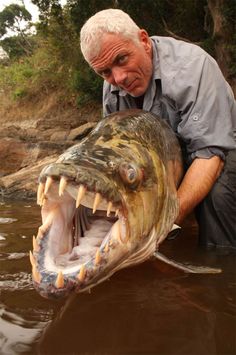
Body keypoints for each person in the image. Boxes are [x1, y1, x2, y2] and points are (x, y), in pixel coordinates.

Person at [80, 9, 236, 249]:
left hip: (219, 148)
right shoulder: (111, 86)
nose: (118, 78)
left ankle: (221, 270)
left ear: (143, 41)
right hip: (169, 157)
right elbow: (117, 154)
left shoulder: (193, 67)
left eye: (122, 59)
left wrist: (162, 225)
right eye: (105, 72)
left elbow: (210, 155)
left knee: (217, 198)